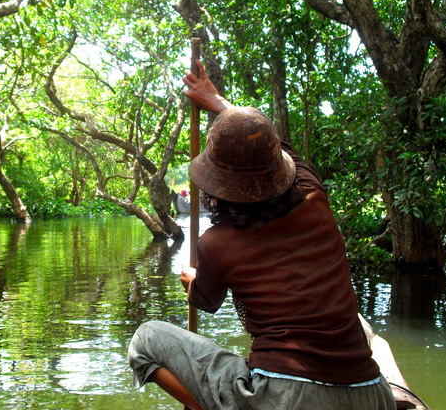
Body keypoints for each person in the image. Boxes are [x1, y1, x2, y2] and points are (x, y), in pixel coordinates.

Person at [127, 61, 396, 410]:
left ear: (216, 185)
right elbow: (270, 142)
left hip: (286, 398)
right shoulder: (313, 195)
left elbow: (206, 302)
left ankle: (207, 405)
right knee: (360, 326)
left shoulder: (216, 242)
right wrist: (216, 100)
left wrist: (192, 281)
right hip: (372, 393)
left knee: (145, 340)